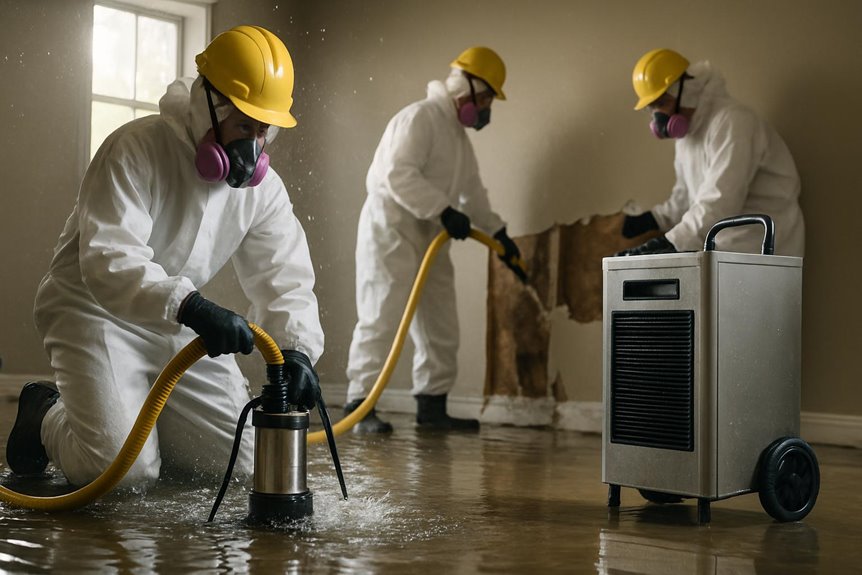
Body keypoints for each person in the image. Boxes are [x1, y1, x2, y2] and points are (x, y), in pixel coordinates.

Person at [5, 26, 324, 487]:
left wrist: (296, 351)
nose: (252, 148)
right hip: (93, 310)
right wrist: (191, 306)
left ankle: (146, 425)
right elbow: (109, 258)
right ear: (209, 104)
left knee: (242, 464)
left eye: (263, 131)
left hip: (176, 318)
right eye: (243, 126)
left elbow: (284, 275)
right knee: (120, 476)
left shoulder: (263, 192)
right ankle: (45, 414)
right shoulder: (133, 149)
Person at [344, 47, 524, 433]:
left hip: (429, 234)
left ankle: (432, 406)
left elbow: (473, 194)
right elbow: (398, 174)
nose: (488, 107)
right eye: (487, 97)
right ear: (469, 88)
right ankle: (360, 405)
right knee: (382, 314)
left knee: (440, 320)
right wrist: (443, 210)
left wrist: (499, 233)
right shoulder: (420, 117)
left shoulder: (457, 138)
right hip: (391, 227)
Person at [618, 48, 805, 257]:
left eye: (662, 103)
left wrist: (671, 242)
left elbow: (721, 199)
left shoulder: (734, 122)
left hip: (761, 249)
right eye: (651, 108)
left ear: (687, 90)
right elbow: (685, 201)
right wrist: (650, 220)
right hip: (723, 250)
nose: (657, 116)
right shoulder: (687, 138)